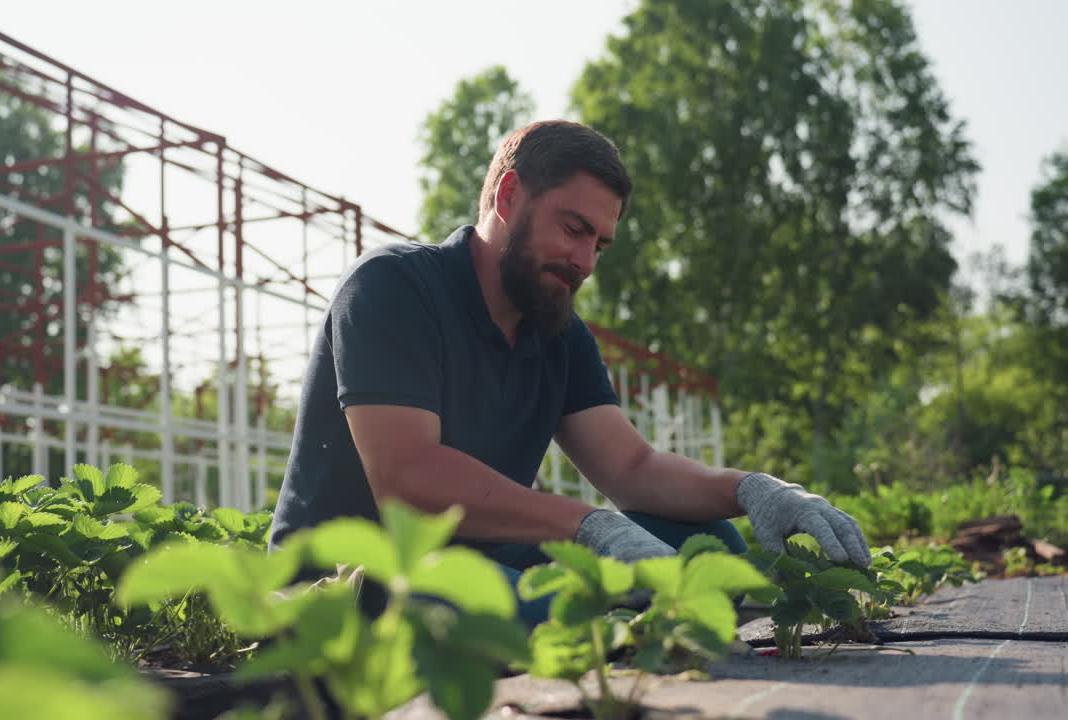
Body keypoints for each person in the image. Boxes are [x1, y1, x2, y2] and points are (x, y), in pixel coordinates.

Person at [269, 120, 870, 624]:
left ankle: (589, 620)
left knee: (708, 544)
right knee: (492, 599)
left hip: (487, 561)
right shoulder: (393, 287)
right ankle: (594, 623)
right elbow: (408, 477)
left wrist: (752, 489)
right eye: (573, 229)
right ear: (508, 198)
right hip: (358, 580)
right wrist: (588, 528)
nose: (584, 261)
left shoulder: (557, 331)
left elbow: (632, 468)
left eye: (600, 245)